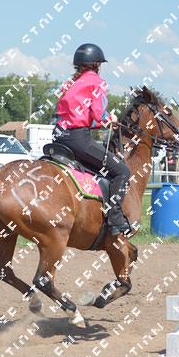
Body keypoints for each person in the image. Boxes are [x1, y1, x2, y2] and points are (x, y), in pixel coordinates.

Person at [53, 43, 131, 235]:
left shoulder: (69, 83)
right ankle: (115, 220)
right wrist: (110, 119)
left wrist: (102, 123)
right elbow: (99, 114)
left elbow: (80, 117)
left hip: (58, 136)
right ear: (97, 64)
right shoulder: (97, 82)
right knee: (122, 171)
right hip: (78, 139)